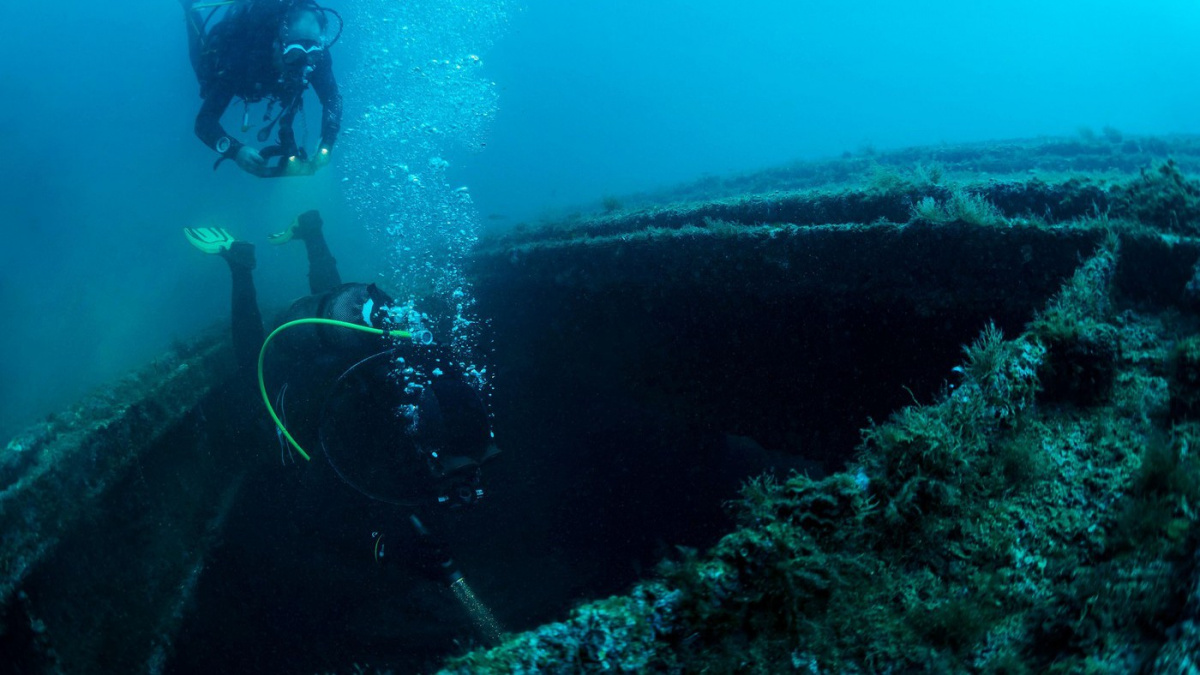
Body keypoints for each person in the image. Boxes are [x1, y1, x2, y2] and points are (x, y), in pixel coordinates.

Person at [184, 212, 501, 593]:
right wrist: (387, 549)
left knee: (347, 324)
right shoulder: (360, 428)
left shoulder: (436, 391)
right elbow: (313, 515)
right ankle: (240, 265)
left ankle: (313, 234)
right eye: (460, 469)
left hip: (358, 357)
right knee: (254, 367)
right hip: (311, 386)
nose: (468, 480)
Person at [182, 0, 344, 176]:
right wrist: (235, 151)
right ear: (278, 41)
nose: (303, 65)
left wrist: (327, 142)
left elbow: (332, 98)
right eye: (294, 52)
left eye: (311, 53)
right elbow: (204, 122)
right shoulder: (242, 57)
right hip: (241, 75)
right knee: (204, 76)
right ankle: (188, 6)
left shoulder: (315, 58)